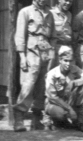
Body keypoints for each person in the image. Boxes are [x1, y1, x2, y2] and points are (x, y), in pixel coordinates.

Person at [13, 0, 55, 132]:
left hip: (46, 53)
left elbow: (53, 37)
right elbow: (20, 36)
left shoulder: (50, 14)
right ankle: (19, 119)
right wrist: (22, 57)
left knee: (42, 87)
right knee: (28, 85)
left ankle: (36, 121)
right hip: (31, 53)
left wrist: (51, 56)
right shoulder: (25, 12)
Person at [45, 46, 83, 132]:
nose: (68, 64)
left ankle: (82, 123)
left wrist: (74, 82)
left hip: (69, 100)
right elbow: (52, 97)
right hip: (55, 103)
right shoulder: (52, 74)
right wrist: (69, 109)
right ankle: (53, 121)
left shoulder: (74, 68)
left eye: (70, 61)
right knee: (61, 114)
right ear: (60, 60)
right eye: (65, 61)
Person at [50, 0, 73, 70]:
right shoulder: (51, 13)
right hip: (56, 48)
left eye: (70, 1)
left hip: (67, 48)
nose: (68, 3)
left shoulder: (69, 14)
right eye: (66, 0)